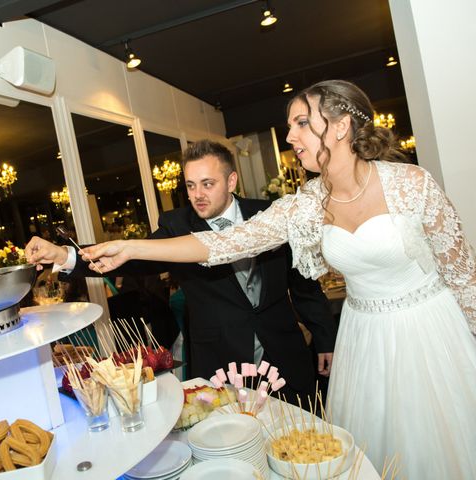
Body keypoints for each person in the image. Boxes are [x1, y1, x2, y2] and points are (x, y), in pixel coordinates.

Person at [80, 80, 476, 479]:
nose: (290, 136)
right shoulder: (306, 204)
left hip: (431, 332)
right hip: (365, 339)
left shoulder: (413, 184)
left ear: (340, 126)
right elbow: (225, 244)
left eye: (302, 123)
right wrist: (133, 247)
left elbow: (464, 278)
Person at [25, 140, 336, 406]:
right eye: (190, 185)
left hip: (283, 353)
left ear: (231, 181)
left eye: (207, 184)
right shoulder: (177, 225)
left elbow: (303, 280)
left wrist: (324, 337)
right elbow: (136, 256)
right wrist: (64, 255)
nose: (197, 194)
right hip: (221, 361)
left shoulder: (268, 213)